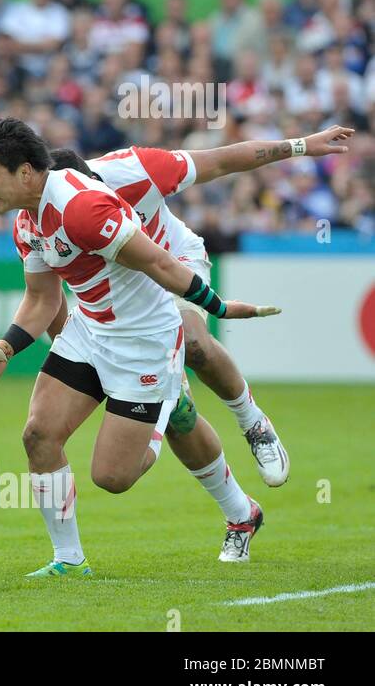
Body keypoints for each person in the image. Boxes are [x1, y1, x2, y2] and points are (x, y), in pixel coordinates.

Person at [0, 118, 281, 575]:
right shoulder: (26, 222)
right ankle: (68, 561)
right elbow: (42, 298)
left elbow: (159, 262)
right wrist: (5, 349)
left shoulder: (82, 207)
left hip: (144, 342)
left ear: (26, 172)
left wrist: (219, 307)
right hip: (90, 330)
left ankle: (175, 405)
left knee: (112, 478)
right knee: (38, 435)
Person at [45, 124, 354, 488]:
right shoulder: (46, 213)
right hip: (128, 289)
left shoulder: (136, 169)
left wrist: (300, 145)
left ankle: (253, 422)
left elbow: (221, 161)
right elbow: (46, 294)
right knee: (170, 428)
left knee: (192, 341)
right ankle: (237, 509)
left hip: (174, 259)